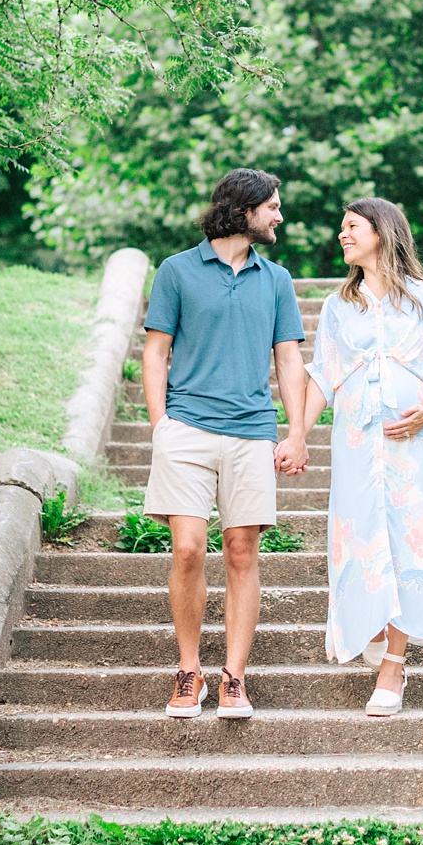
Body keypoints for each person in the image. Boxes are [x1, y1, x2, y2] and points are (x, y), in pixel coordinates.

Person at [142, 167, 311, 719]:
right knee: (188, 548)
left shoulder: (277, 279)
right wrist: (160, 424)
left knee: (242, 552)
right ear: (243, 210)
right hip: (186, 428)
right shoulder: (177, 271)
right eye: (273, 207)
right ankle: (188, 672)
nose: (279, 216)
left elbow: (288, 359)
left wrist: (296, 431)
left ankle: (233, 679)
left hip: (251, 432)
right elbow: (155, 350)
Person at [298, 197, 423, 716]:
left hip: (411, 446)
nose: (342, 237)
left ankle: (395, 668)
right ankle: (371, 622)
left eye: (351, 228)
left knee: (404, 543)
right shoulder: (337, 306)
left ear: (381, 232)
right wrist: (297, 436)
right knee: (360, 539)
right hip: (355, 447)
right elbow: (323, 375)